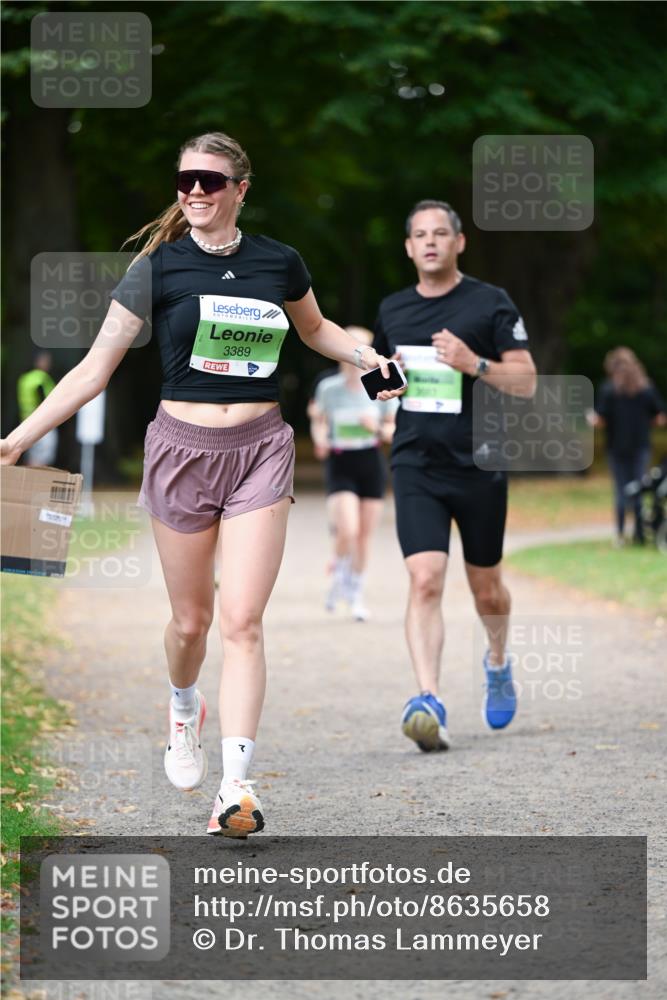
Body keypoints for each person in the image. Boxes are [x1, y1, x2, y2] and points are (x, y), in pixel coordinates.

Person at [0, 131, 402, 837]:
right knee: (192, 623)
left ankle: (236, 789)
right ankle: (183, 707)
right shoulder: (155, 269)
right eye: (186, 179)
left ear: (240, 190)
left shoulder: (279, 262)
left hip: (259, 450)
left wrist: (368, 357)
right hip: (181, 450)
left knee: (243, 621)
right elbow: (94, 370)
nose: (194, 191)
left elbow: (315, 331)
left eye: (210, 181)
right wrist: (14, 441)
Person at [373, 199, 537, 752]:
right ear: (408, 247)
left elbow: (527, 381)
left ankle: (496, 663)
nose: (430, 242)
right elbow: (377, 379)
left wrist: (474, 363)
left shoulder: (490, 303)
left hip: (480, 462)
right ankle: (428, 700)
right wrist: (385, 385)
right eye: (420, 234)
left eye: (441, 233)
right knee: (425, 579)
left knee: (486, 589)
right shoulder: (392, 308)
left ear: (459, 242)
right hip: (415, 460)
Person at [309, 326, 398, 620]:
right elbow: (319, 421)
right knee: (348, 529)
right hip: (340, 462)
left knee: (363, 536)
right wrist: (320, 438)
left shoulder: (380, 387)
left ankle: (355, 592)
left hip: (370, 462)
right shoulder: (329, 388)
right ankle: (339, 571)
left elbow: (393, 429)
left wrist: (378, 429)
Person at [593, 347, 666, 546]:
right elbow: (660, 418)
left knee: (621, 490)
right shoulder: (646, 389)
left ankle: (620, 534)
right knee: (639, 488)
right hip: (641, 446)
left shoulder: (609, 390)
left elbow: (600, 420)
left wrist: (593, 420)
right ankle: (640, 533)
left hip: (616, 447)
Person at [16, 351, 58, 466]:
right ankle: (39, 481)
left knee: (31, 453)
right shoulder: (41, 378)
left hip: (25, 420)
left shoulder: (25, 378)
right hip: (41, 421)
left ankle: (28, 480)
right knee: (43, 454)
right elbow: (45, 401)